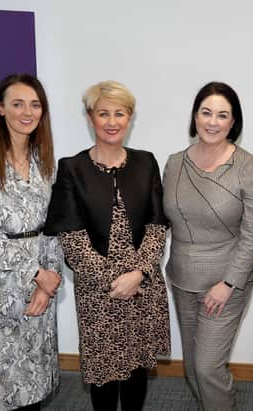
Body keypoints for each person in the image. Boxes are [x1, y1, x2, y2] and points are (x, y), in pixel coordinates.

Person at [43, 80, 170, 411]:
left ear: (129, 117)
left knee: (136, 368)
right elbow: (72, 240)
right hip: (99, 292)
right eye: (103, 114)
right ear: (90, 117)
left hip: (142, 287)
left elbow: (158, 226)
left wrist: (138, 274)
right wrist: (116, 280)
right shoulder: (72, 168)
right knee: (103, 371)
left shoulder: (146, 162)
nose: (112, 122)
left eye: (120, 113)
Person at [0, 74, 62, 411]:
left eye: (35, 104)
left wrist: (49, 281)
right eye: (17, 103)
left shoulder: (45, 163)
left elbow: (55, 227)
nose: (27, 112)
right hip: (0, 286)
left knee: (35, 381)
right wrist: (37, 274)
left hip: (40, 289)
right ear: (0, 108)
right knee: (4, 384)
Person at [163, 81, 253, 410]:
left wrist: (228, 283)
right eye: (206, 112)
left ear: (233, 122)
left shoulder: (247, 165)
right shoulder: (175, 162)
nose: (212, 121)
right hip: (182, 278)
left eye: (222, 115)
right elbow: (161, 219)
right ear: (195, 116)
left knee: (208, 367)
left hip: (226, 282)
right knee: (194, 369)